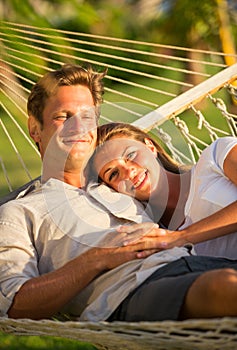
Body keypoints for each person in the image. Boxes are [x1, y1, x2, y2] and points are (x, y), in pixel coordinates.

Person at [1, 65, 237, 323]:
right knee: (224, 287)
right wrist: (98, 258)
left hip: (199, 263)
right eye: (63, 116)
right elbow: (13, 304)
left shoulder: (118, 187)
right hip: (133, 289)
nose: (78, 126)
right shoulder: (20, 212)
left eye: (87, 117)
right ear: (35, 129)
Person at [93, 122, 237, 259]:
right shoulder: (153, 235)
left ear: (150, 147)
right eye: (113, 174)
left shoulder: (215, 156)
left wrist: (182, 237)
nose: (128, 173)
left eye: (130, 155)